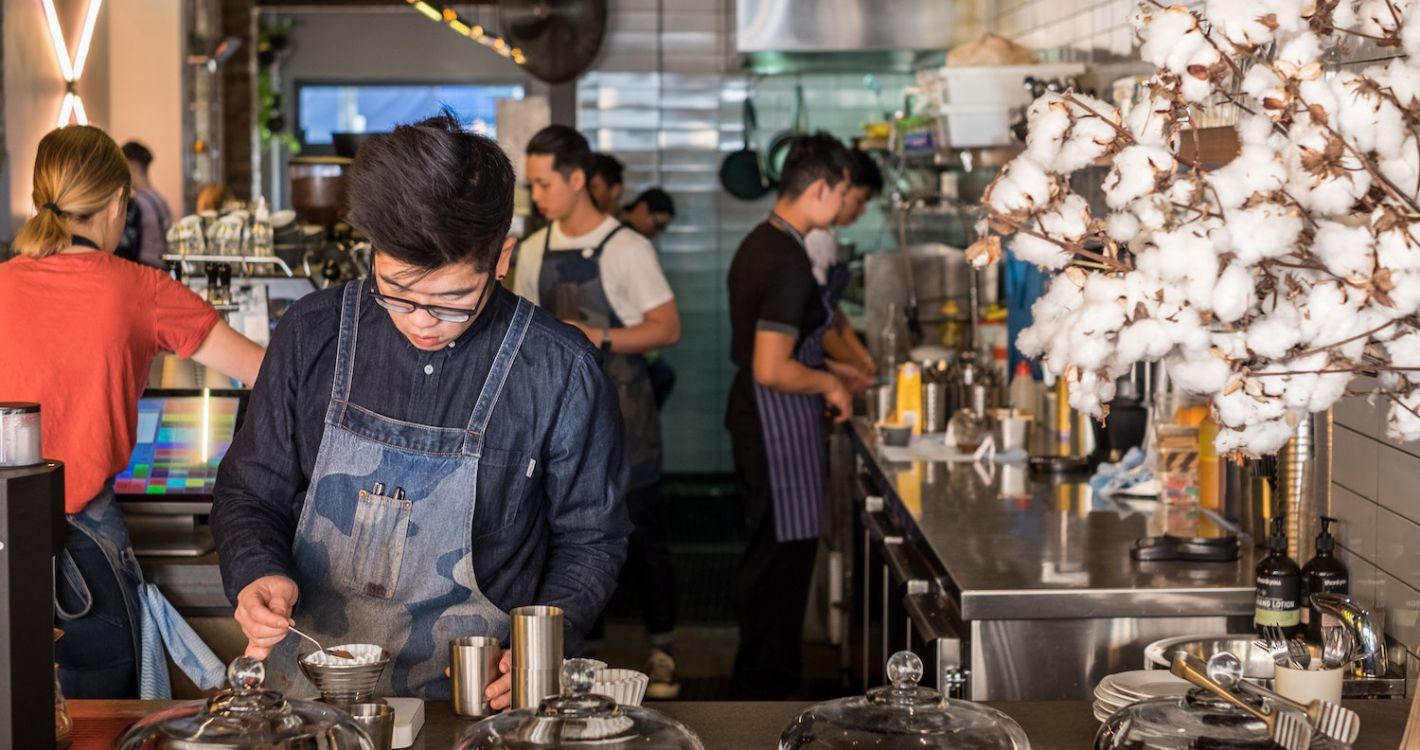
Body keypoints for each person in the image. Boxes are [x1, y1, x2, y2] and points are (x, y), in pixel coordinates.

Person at [211, 112, 631, 705]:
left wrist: (544, 644)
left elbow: (592, 536)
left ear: (502, 257)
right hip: (305, 695)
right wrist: (258, 571)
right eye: (398, 293)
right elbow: (250, 492)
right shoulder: (312, 334)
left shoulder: (559, 368)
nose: (422, 322)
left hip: (474, 701)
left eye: (452, 300)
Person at [0, 124, 264, 698]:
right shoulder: (139, 288)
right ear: (119, 201)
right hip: (85, 547)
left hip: (2, 536)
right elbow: (267, 374)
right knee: (100, 719)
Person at [515, 125, 684, 699]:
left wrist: (599, 336)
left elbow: (668, 326)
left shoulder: (628, 247)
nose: (536, 195)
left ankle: (663, 649)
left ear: (577, 179)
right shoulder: (533, 248)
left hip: (629, 413)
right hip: (561, 421)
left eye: (543, 183)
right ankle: (586, 661)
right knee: (570, 539)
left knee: (645, 536)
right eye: (532, 184)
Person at [724, 131, 855, 700]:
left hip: (763, 422)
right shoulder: (787, 261)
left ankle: (759, 682)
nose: (843, 209)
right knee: (780, 568)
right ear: (822, 188)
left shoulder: (761, 241)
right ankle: (765, 697)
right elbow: (772, 367)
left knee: (770, 562)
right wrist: (829, 379)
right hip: (772, 424)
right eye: (844, 193)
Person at [804, 148, 882, 385]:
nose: (861, 211)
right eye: (859, 200)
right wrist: (860, 366)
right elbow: (819, 323)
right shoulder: (814, 237)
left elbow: (832, 312)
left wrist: (864, 360)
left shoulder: (827, 236)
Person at [119, 141, 174, 268]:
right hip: (164, 265)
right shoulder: (159, 198)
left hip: (146, 267)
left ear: (132, 166)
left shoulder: (136, 204)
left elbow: (128, 247)